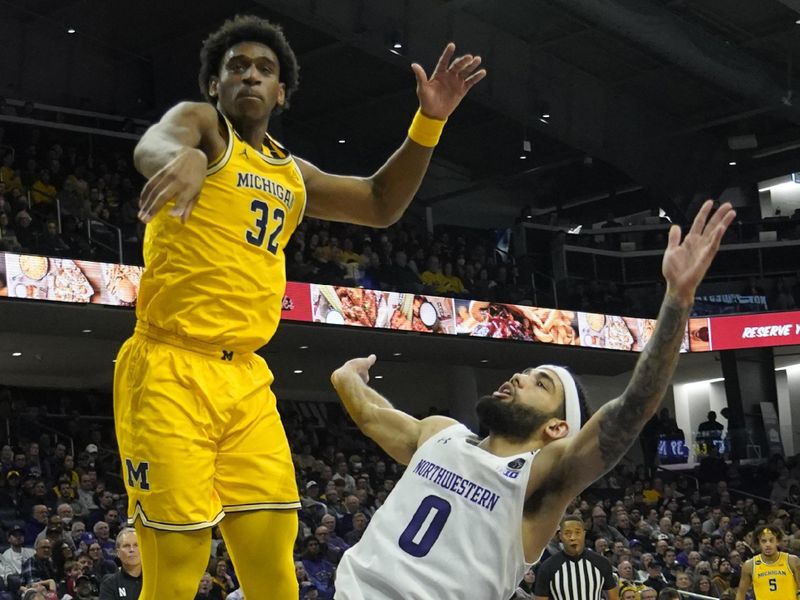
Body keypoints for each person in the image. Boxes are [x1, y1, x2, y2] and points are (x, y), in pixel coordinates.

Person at [116, 13, 485, 600]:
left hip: (246, 380)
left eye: (265, 69)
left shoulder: (292, 174)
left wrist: (429, 121)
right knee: (178, 567)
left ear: (281, 91)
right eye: (236, 67)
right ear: (215, 84)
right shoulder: (203, 127)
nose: (250, 77)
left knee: (274, 569)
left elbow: (380, 202)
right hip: (168, 368)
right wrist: (177, 158)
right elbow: (157, 140)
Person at [330, 200, 736, 599]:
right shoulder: (441, 433)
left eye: (540, 384)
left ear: (557, 427)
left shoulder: (541, 478)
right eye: (524, 373)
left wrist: (677, 300)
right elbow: (371, 414)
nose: (518, 378)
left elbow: (635, 406)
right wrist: (346, 376)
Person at [533, 515, 618, 600]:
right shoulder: (547, 567)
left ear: (584, 534)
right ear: (560, 536)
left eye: (577, 532)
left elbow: (614, 597)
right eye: (567, 533)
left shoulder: (601, 563)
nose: (573, 537)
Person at [735, 527, 799, 600]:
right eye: (764, 541)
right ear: (758, 543)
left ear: (777, 541)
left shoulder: (792, 561)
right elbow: (741, 593)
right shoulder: (749, 565)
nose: (768, 544)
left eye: (771, 540)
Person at [98, 529, 142, 600]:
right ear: (118, 552)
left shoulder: (155, 580)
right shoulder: (110, 584)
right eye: (126, 546)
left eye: (136, 545)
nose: (132, 549)